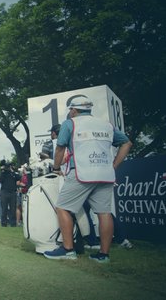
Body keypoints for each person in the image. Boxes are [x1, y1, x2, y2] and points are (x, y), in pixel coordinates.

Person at [43, 96, 132, 263]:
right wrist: (114, 165)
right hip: (105, 175)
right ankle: (103, 255)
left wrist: (55, 168)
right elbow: (127, 143)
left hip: (81, 173)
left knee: (62, 208)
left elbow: (60, 148)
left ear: (74, 110)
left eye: (70, 110)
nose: (69, 113)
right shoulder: (106, 125)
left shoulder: (70, 123)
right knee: (104, 213)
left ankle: (68, 250)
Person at [0, 161, 19, 227]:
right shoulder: (3, 173)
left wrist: (12, 171)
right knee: (4, 208)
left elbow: (18, 178)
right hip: (4, 192)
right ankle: (3, 223)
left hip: (12, 192)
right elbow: (0, 180)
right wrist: (3, 171)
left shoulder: (13, 174)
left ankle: (13, 223)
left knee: (13, 208)